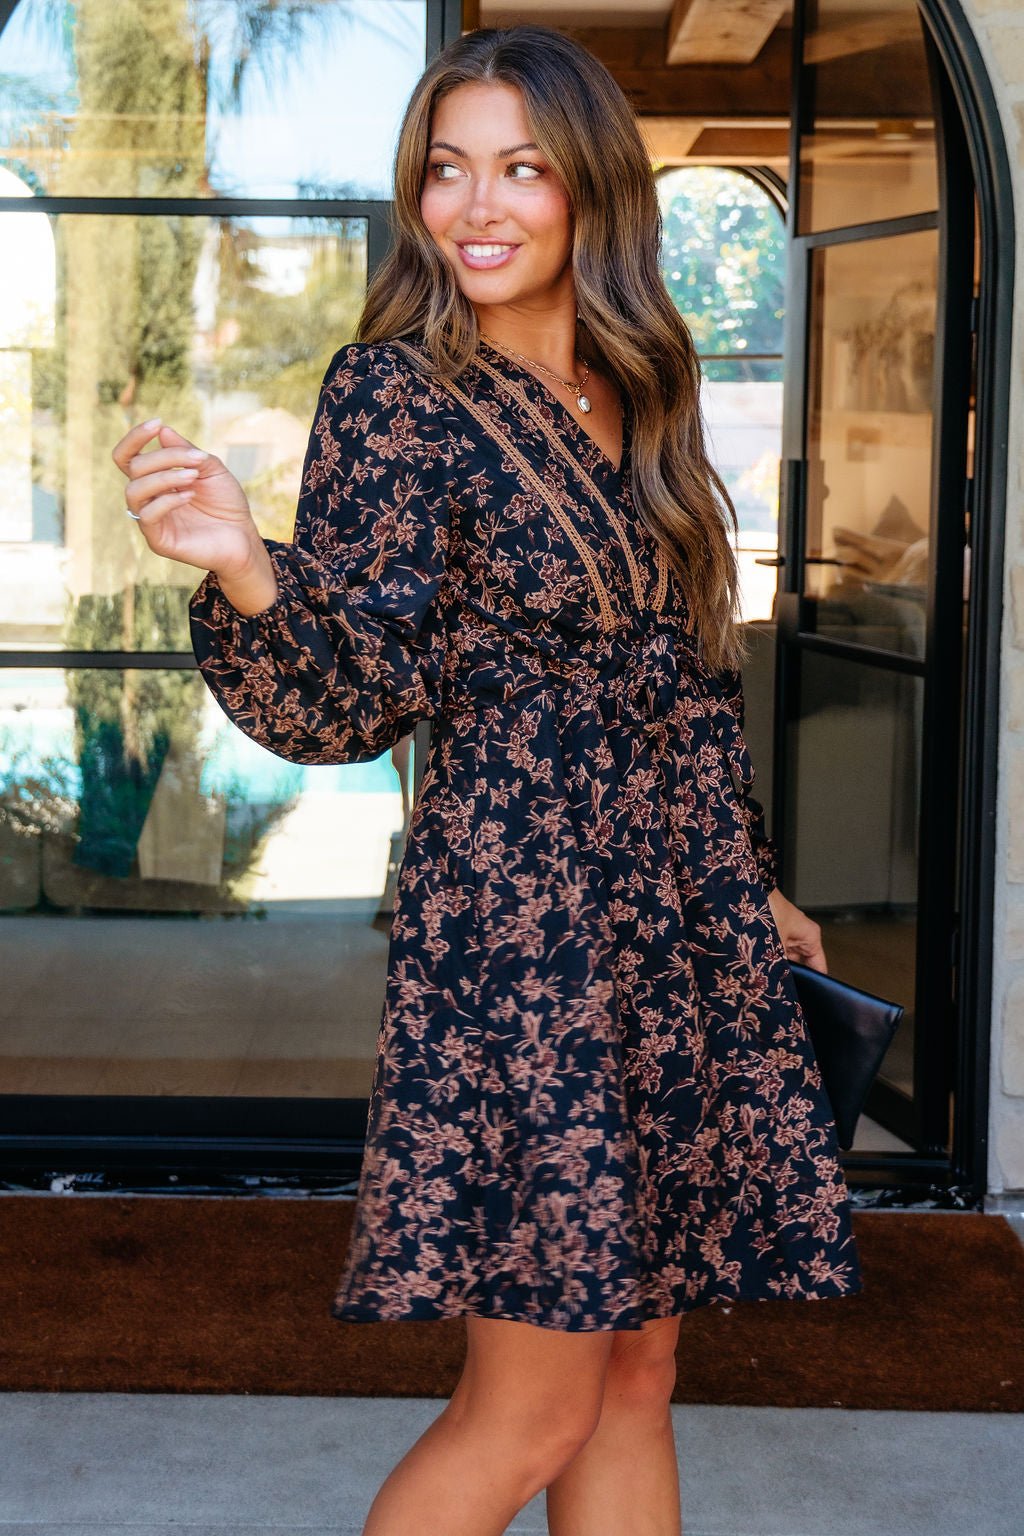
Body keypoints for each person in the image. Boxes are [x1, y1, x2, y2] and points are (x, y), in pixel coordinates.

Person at [112, 24, 863, 1536]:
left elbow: (692, 679)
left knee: (640, 1374)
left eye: (521, 166)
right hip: (524, 942)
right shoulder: (395, 394)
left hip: (679, 927)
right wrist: (254, 574)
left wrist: (751, 878)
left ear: (592, 188)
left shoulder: (644, 383)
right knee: (530, 1403)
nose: (477, 205)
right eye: (446, 169)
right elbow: (364, 694)